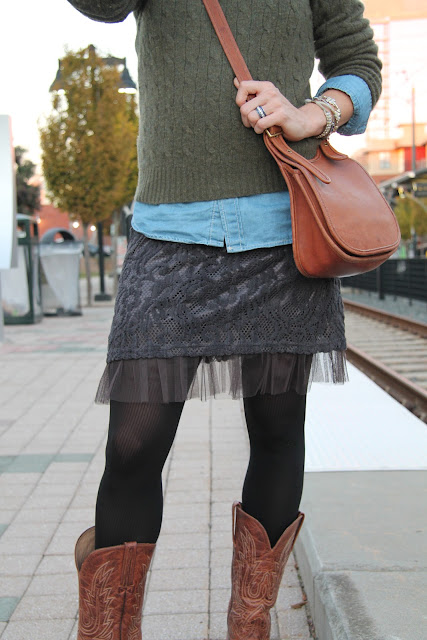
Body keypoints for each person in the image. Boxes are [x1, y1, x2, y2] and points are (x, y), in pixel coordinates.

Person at [67, 1, 381, 638]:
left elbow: (357, 62)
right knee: (132, 445)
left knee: (275, 428)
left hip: (282, 231)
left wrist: (315, 113)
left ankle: (250, 626)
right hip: (169, 232)